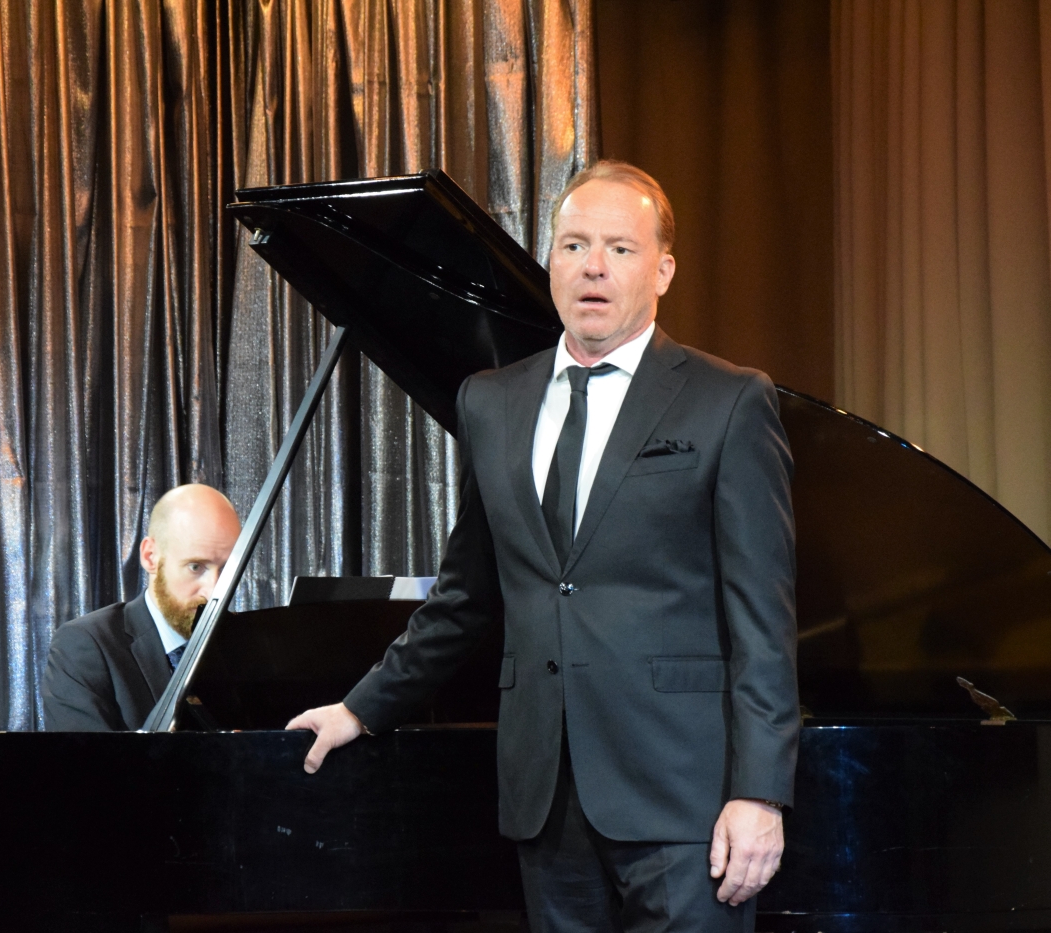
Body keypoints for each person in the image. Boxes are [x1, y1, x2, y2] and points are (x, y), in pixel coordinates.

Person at [287, 161, 798, 933]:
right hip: (544, 798)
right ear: (550, 260)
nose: (594, 266)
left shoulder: (729, 400)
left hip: (685, 801)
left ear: (663, 269)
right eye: (573, 245)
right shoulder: (491, 401)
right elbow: (465, 597)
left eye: (621, 249)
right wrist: (363, 707)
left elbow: (765, 621)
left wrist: (759, 793)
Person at [43, 483, 241, 731]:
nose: (213, 591)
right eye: (195, 567)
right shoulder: (86, 646)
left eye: (226, 570)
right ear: (150, 557)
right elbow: (84, 765)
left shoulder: (246, 643)